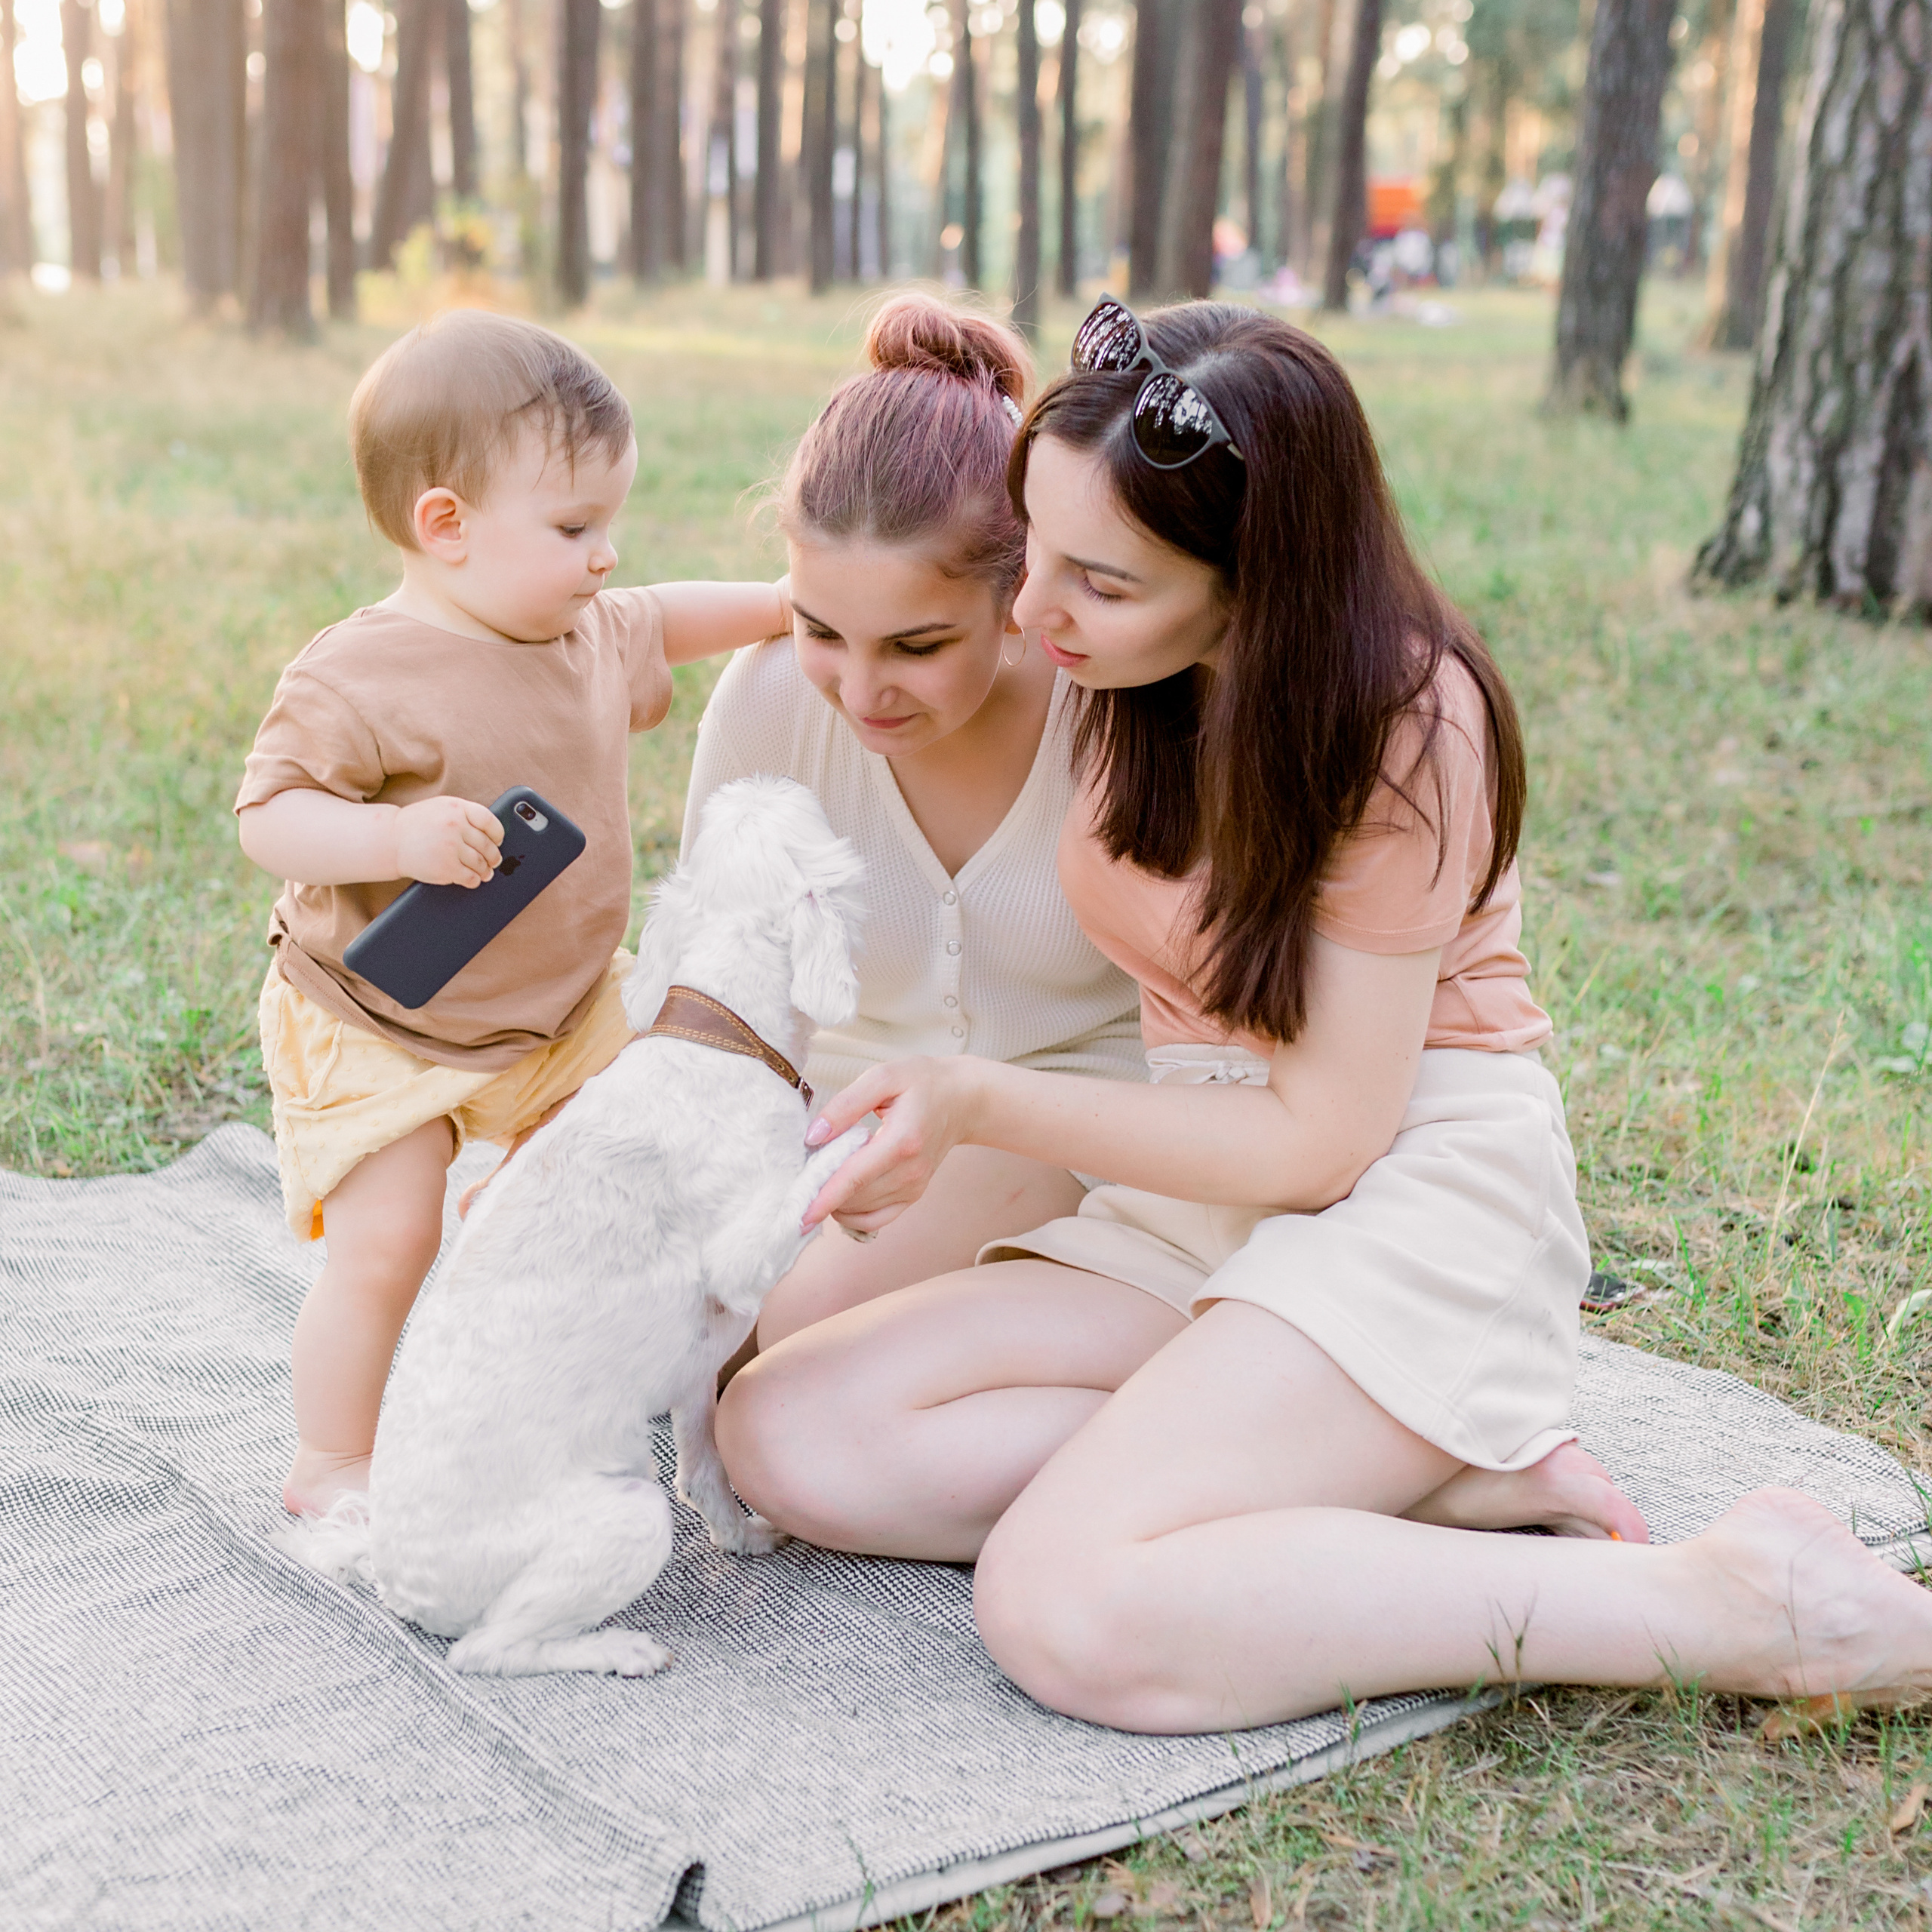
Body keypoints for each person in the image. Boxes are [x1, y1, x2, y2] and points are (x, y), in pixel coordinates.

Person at [716, 298, 1932, 1733]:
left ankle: (1732, 1604)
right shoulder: (1129, 667)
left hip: (1405, 1188)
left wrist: (974, 1098)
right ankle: (1411, 1469)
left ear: (1255, 578)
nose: (1031, 614)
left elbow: (1325, 1140)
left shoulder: (1402, 727)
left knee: (1069, 1609)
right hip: (1191, 1192)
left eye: (1095, 584)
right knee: (786, 1433)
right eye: (1031, 550)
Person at [235, 310, 789, 1517]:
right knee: (389, 1240)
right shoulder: (357, 673)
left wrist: (798, 603)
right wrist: (392, 837)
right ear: (447, 526)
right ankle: (332, 1458)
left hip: (559, 1006)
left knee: (646, 1167)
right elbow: (267, 815)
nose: (606, 557)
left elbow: (673, 614)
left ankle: (594, 1357)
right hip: (381, 1020)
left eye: (611, 526)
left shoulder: (585, 633)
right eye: (576, 528)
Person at [685, 294, 1142, 1346]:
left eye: (918, 645)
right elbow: (723, 991)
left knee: (788, 1334)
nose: (861, 688)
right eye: (821, 630)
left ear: (1020, 590)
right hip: (826, 1127)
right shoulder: (765, 705)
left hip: (1060, 1124)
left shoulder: (1115, 710)